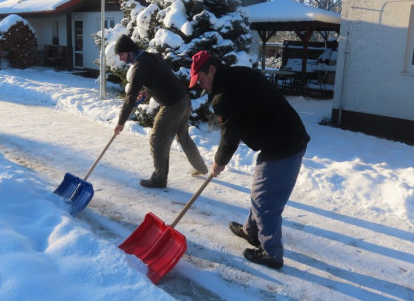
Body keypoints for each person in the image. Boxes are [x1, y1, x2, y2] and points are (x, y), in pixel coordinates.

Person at [189, 50, 310, 269]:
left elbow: (230, 135)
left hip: (283, 143)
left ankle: (272, 253)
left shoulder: (224, 96)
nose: (201, 85)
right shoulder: (238, 74)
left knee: (265, 202)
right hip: (282, 137)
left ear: (212, 70)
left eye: (202, 79)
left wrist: (219, 161)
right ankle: (251, 231)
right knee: (259, 192)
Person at [113, 35, 208, 188]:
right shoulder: (150, 57)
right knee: (183, 137)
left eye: (121, 55)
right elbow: (161, 79)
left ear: (130, 51)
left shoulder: (139, 67)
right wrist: (148, 92)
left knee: (157, 140)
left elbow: (130, 97)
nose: (121, 59)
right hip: (183, 100)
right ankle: (201, 167)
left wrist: (121, 122)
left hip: (173, 106)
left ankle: (159, 179)